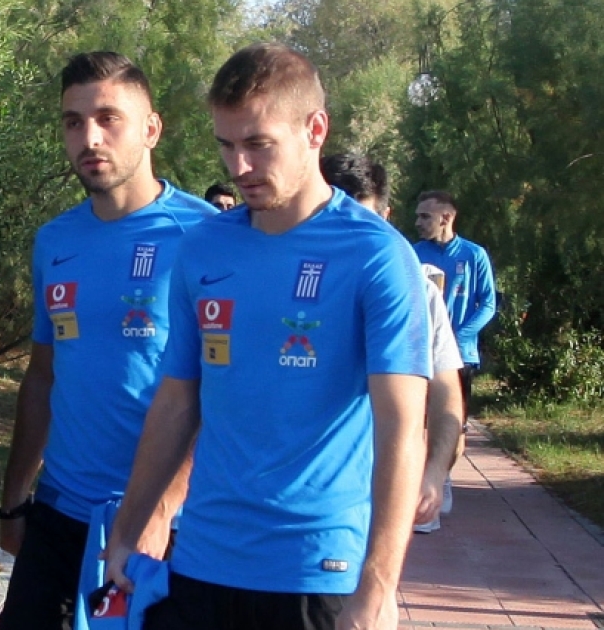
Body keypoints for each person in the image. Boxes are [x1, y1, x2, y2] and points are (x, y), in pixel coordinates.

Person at [102, 43, 431, 630]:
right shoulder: (204, 247)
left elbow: (403, 426)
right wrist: (128, 529)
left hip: (317, 571)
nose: (239, 166)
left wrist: (380, 585)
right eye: (226, 145)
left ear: (315, 130)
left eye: (258, 144)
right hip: (203, 560)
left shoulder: (377, 256)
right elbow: (177, 400)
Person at [0, 51, 218, 630]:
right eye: (74, 122)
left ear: (151, 128)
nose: (90, 138)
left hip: (166, 526)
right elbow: (42, 376)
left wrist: (161, 508)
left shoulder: (206, 237)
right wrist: (14, 499)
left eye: (108, 118)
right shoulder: (56, 240)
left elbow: (222, 393)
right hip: (60, 511)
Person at [320, 153, 464, 533]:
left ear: (385, 216)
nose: (352, 236)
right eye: (337, 221)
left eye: (364, 221)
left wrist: (435, 471)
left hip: (385, 487)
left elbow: (446, 391)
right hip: (308, 495)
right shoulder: (286, 287)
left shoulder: (417, 290)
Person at [413, 190, 496, 516]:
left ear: (446, 217)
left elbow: (487, 303)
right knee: (419, 421)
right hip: (422, 353)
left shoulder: (474, 255)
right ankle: (420, 481)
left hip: (460, 355)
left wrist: (458, 336)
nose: (418, 222)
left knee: (453, 423)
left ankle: (443, 476)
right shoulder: (413, 254)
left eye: (425, 216)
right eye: (418, 216)